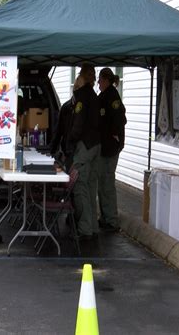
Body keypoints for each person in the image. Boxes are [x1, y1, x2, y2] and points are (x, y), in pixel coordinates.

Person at [69, 63, 101, 241]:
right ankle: (93, 227)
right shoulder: (95, 96)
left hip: (85, 146)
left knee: (80, 187)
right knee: (90, 187)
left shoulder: (82, 97)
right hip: (97, 145)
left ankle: (84, 229)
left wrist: (71, 141)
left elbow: (78, 125)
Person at [97, 68, 127, 232]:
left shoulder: (112, 96)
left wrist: (115, 135)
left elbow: (120, 118)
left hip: (110, 147)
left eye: (100, 80)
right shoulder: (104, 96)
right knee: (102, 183)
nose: (98, 83)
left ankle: (112, 221)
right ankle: (105, 217)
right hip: (104, 147)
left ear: (107, 80)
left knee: (107, 183)